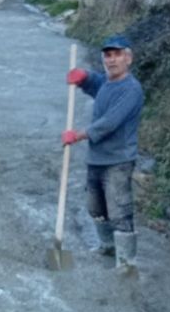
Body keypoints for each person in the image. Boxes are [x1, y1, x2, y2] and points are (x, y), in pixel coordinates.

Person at [62, 34, 144, 274]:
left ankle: (127, 264)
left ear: (128, 58)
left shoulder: (131, 90)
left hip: (118, 160)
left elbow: (110, 122)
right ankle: (107, 247)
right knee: (95, 208)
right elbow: (97, 84)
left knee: (119, 211)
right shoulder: (108, 83)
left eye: (117, 54)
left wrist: (78, 135)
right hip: (96, 158)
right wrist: (84, 78)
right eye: (107, 55)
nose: (112, 60)